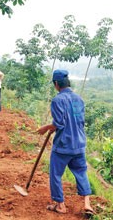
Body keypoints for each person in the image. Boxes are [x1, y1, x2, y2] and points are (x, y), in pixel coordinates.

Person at [37, 69, 95, 217]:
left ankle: (60, 205)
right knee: (81, 172)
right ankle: (87, 203)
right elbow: (78, 121)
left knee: (55, 174)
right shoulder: (79, 99)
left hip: (63, 145)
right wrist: (54, 127)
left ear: (56, 84)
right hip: (79, 143)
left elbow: (59, 123)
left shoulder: (57, 100)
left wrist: (46, 128)